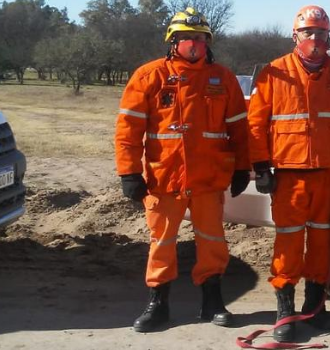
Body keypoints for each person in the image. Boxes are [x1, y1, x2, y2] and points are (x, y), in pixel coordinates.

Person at [114, 7, 251, 333]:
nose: (194, 43)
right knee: (161, 242)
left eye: (200, 38)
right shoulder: (149, 77)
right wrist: (129, 173)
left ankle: (213, 302)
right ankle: (158, 304)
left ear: (209, 42)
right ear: (172, 41)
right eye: (186, 38)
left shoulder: (223, 79)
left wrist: (242, 168)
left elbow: (240, 131)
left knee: (212, 241)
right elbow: (128, 131)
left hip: (208, 180)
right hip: (164, 180)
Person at [246, 5, 330, 342]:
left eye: (321, 33)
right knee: (289, 240)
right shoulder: (274, 73)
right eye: (308, 32)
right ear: (295, 35)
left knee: (323, 239)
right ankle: (285, 310)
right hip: (289, 175)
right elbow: (256, 124)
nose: (315, 38)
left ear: (329, 37)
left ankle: (315, 305)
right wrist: (260, 165)